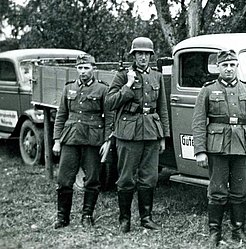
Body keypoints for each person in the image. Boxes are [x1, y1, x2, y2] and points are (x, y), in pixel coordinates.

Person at [192, 50, 246, 247]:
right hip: (217, 147)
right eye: (225, 65)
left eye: (232, 65)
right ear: (218, 67)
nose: (229, 69)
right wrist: (200, 150)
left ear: (237, 67)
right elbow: (199, 122)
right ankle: (214, 231)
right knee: (217, 189)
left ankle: (238, 229)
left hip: (243, 146)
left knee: (241, 189)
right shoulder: (207, 90)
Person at [105, 37, 170, 233]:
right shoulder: (123, 76)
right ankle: (124, 220)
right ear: (133, 55)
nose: (143, 57)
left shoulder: (157, 76)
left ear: (151, 56)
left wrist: (163, 136)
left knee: (149, 177)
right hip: (128, 133)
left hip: (151, 131)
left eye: (146, 54)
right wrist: (128, 85)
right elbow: (109, 103)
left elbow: (163, 108)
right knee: (126, 178)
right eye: (139, 54)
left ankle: (146, 218)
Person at [52, 54, 114, 228]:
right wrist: (57, 140)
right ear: (76, 69)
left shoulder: (102, 89)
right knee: (64, 179)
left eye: (86, 68)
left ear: (93, 68)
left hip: (93, 139)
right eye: (80, 68)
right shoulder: (69, 88)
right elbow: (61, 115)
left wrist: (107, 141)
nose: (83, 71)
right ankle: (62, 217)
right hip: (70, 138)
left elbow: (109, 117)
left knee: (92, 180)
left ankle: (87, 215)